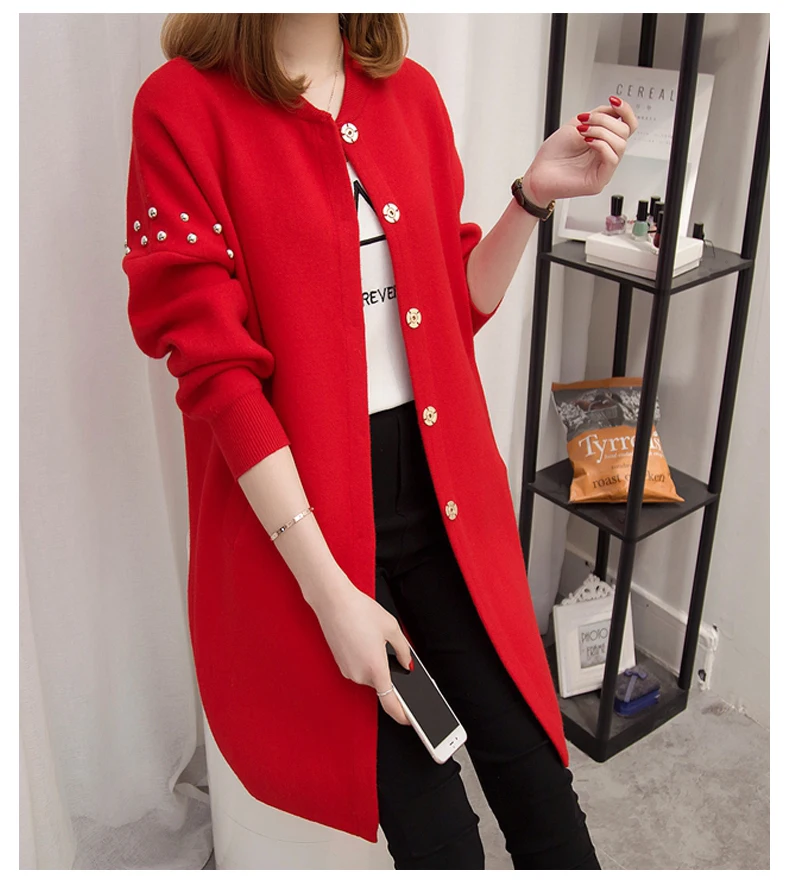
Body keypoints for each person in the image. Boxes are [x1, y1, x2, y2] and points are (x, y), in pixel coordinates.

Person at [122, 12, 637, 870]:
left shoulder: (410, 95)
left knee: (542, 790)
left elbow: (450, 308)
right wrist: (333, 597)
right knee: (442, 841)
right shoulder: (179, 108)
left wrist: (532, 197)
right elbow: (218, 376)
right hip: (310, 536)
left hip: (448, 514)